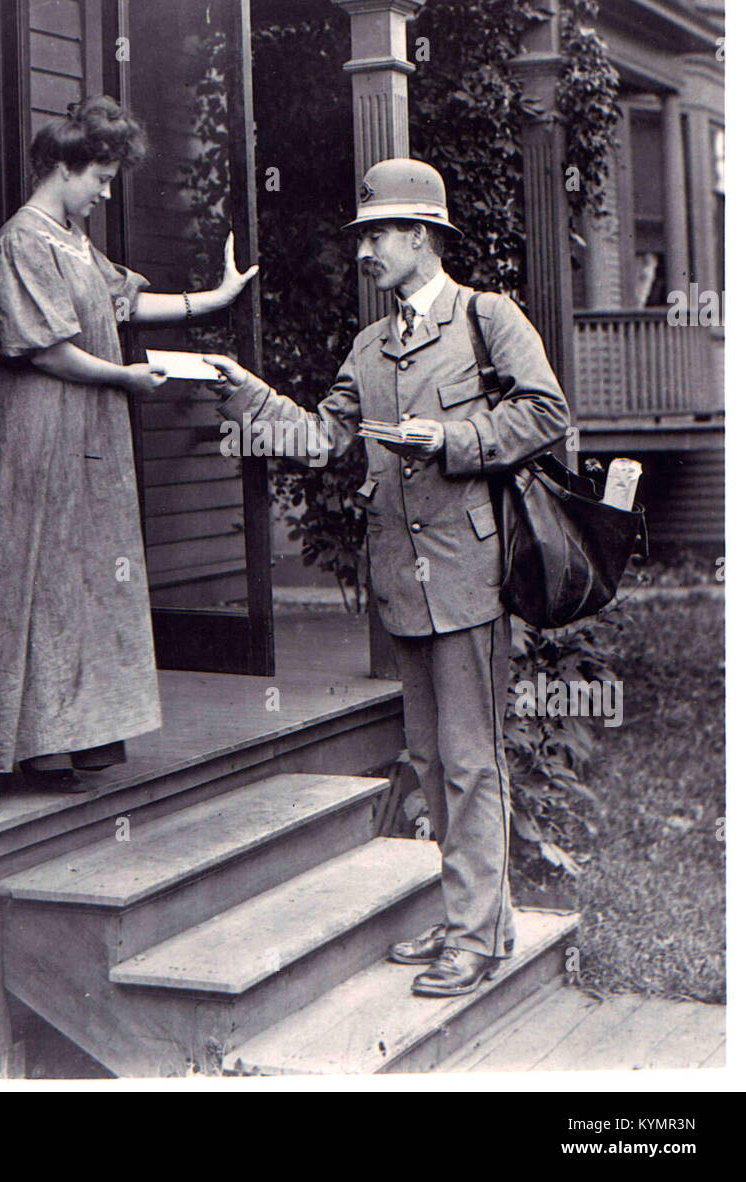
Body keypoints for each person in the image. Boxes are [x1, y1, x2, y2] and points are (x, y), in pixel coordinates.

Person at [205, 157, 569, 997]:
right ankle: (478, 917)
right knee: (427, 757)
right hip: (402, 581)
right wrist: (248, 399)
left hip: (470, 574)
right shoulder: (369, 346)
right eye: (362, 234)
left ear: (420, 236)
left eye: (378, 233)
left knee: (470, 759)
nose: (364, 249)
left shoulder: (487, 317)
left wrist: (450, 440)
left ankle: (474, 936)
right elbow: (325, 439)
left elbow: (546, 413)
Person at [0, 95, 256, 791]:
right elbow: (45, 351)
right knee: (49, 574)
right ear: (63, 167)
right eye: (100, 179)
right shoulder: (23, 240)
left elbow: (127, 304)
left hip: (92, 424)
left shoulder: (74, 240)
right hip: (46, 426)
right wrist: (126, 380)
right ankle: (38, 744)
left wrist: (213, 299)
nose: (107, 193)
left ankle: (87, 734)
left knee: (90, 572)